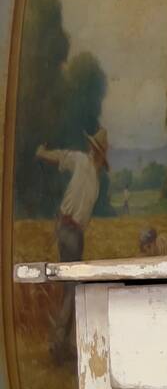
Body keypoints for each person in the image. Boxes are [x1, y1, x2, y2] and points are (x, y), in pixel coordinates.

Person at [34, 129, 107, 361]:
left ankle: (62, 344)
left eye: (92, 150)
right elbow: (61, 156)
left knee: (70, 288)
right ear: (100, 155)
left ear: (93, 151)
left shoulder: (83, 166)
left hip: (65, 228)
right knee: (72, 289)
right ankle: (59, 345)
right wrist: (44, 153)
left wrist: (41, 152)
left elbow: (60, 156)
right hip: (72, 233)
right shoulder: (93, 180)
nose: (91, 153)